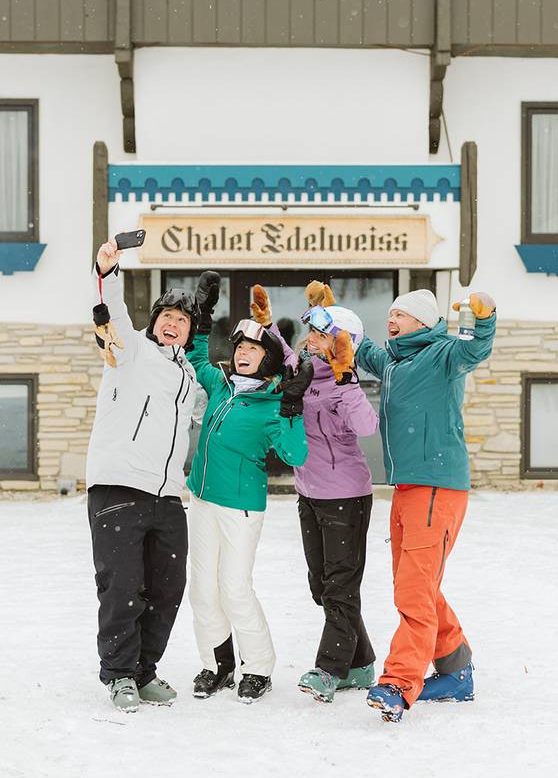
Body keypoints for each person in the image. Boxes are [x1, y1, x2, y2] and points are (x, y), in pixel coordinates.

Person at [354, 288, 496, 723]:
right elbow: (361, 350)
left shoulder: (443, 355)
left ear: (423, 321)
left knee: (413, 589)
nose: (391, 318)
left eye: (401, 314)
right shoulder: (395, 363)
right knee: (416, 582)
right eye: (390, 312)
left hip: (436, 486)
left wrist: (483, 317)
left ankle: (398, 682)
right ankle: (455, 670)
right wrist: (327, 320)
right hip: (408, 489)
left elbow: (476, 348)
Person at [86, 237, 204, 713]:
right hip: (119, 487)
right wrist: (109, 272)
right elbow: (111, 311)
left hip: (168, 496)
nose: (172, 324)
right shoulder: (132, 352)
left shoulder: (190, 379)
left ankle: (144, 671)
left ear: (191, 332)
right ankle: (118, 675)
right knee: (122, 585)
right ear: (154, 325)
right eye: (166, 318)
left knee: (166, 588)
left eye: (182, 320)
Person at [186, 271, 312, 704]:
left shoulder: (273, 405)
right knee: (201, 588)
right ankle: (217, 663)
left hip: (240, 509)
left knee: (234, 587)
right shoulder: (223, 388)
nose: (243, 353)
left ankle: (257, 667)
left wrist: (293, 407)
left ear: (268, 359)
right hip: (201, 500)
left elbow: (295, 457)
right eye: (240, 346)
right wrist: (203, 321)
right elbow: (197, 359)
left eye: (254, 348)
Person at [251, 281, 379, 703]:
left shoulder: (344, 383)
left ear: (342, 344)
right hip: (310, 493)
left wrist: (346, 381)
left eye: (321, 335)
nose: (310, 341)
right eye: (312, 333)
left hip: (346, 495)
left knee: (340, 586)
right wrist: (266, 325)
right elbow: (285, 354)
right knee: (321, 585)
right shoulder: (303, 372)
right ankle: (360, 664)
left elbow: (367, 427)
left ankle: (330, 669)